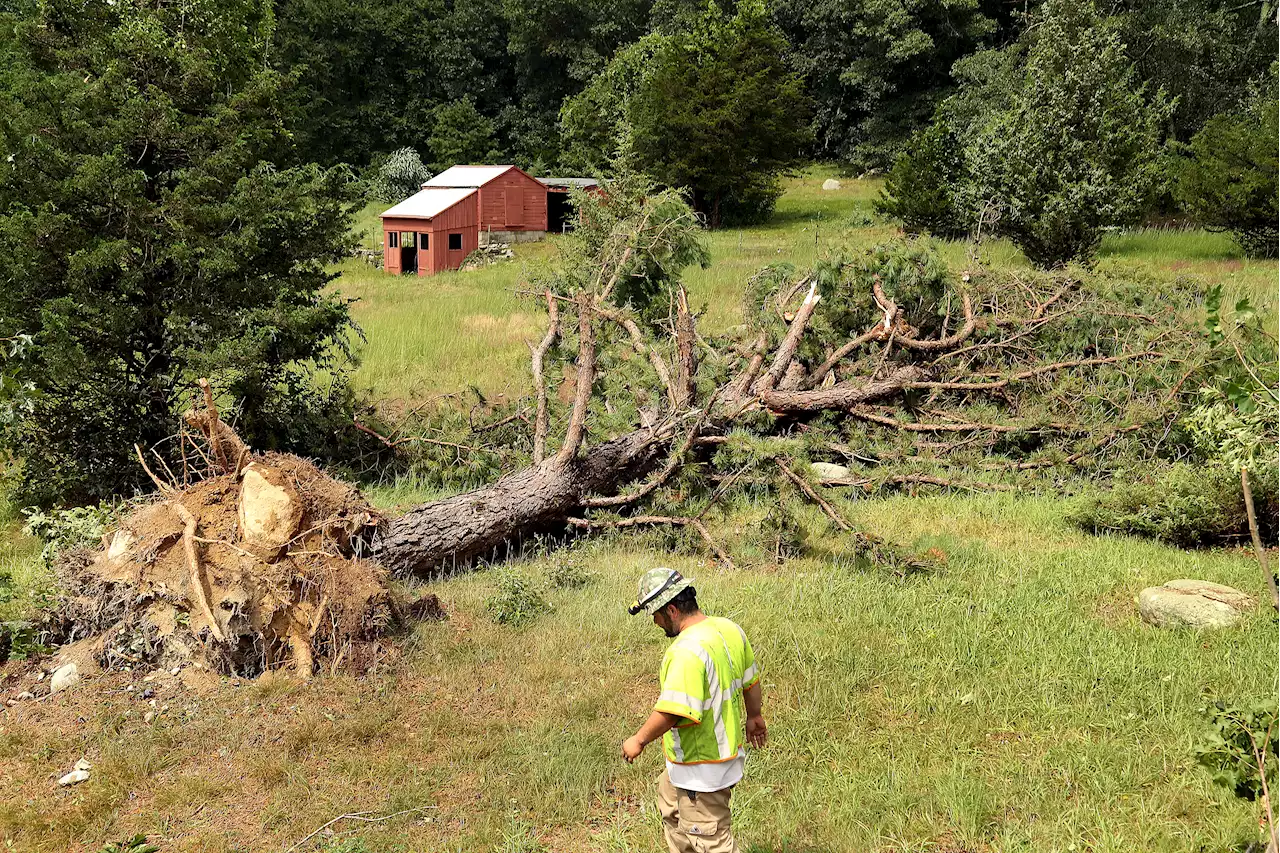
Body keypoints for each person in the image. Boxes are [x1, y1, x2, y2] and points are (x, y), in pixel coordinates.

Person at [621, 567, 766, 853]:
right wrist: (755, 716)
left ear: (672, 610)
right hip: (712, 760)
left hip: (702, 772)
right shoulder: (728, 629)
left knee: (712, 842)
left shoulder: (687, 650)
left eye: (656, 615)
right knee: (670, 807)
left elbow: (674, 710)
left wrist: (637, 740)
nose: (655, 623)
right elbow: (751, 680)